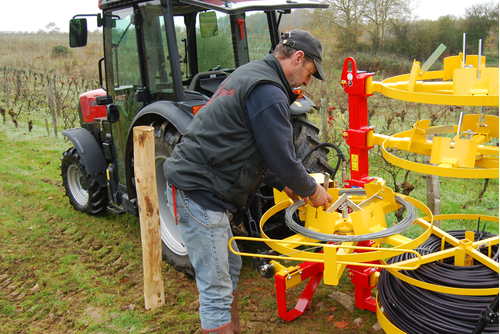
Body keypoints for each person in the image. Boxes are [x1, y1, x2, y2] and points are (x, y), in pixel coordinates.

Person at [163, 29, 332, 334]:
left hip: (204, 185)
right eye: (309, 72)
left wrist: (285, 183)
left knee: (230, 268)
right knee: (216, 291)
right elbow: (281, 155)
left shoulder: (252, 73)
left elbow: (254, 147)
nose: (308, 81)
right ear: (297, 58)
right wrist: (312, 189)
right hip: (200, 191)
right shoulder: (268, 91)